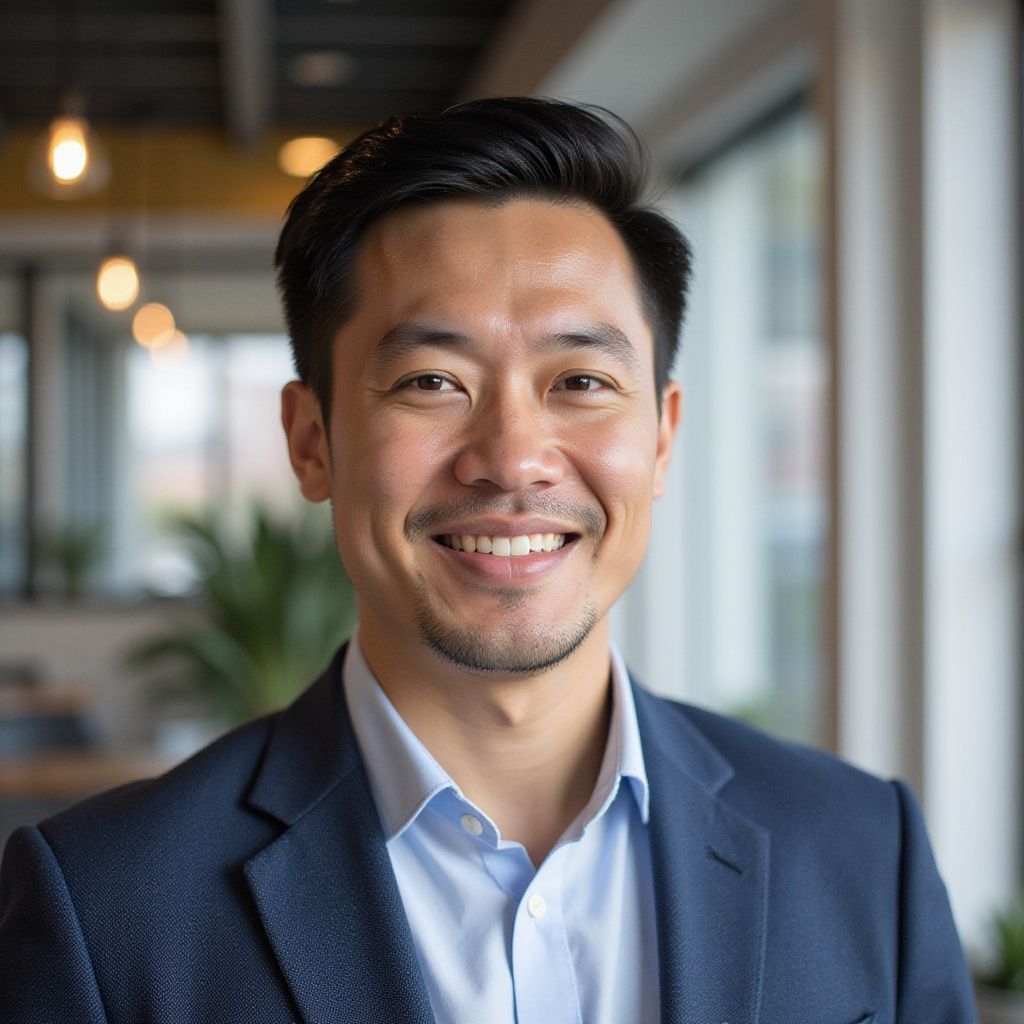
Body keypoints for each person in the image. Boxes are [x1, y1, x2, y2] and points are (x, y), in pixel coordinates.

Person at [0, 97, 975, 1024]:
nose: (512, 457)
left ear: (663, 439)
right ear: (311, 441)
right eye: (432, 380)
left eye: (580, 380)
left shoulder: (859, 853)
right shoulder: (105, 905)